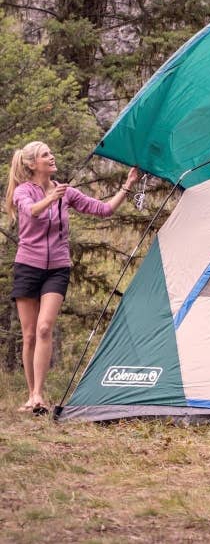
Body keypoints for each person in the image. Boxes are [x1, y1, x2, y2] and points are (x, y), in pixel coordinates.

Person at [4, 141, 138, 415]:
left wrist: (128, 185)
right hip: (28, 266)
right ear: (32, 164)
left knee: (44, 328)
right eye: (45, 155)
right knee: (29, 334)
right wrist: (51, 198)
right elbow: (31, 211)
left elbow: (104, 209)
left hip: (58, 268)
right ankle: (31, 396)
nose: (51, 157)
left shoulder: (66, 192)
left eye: (51, 153)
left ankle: (39, 395)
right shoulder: (23, 191)